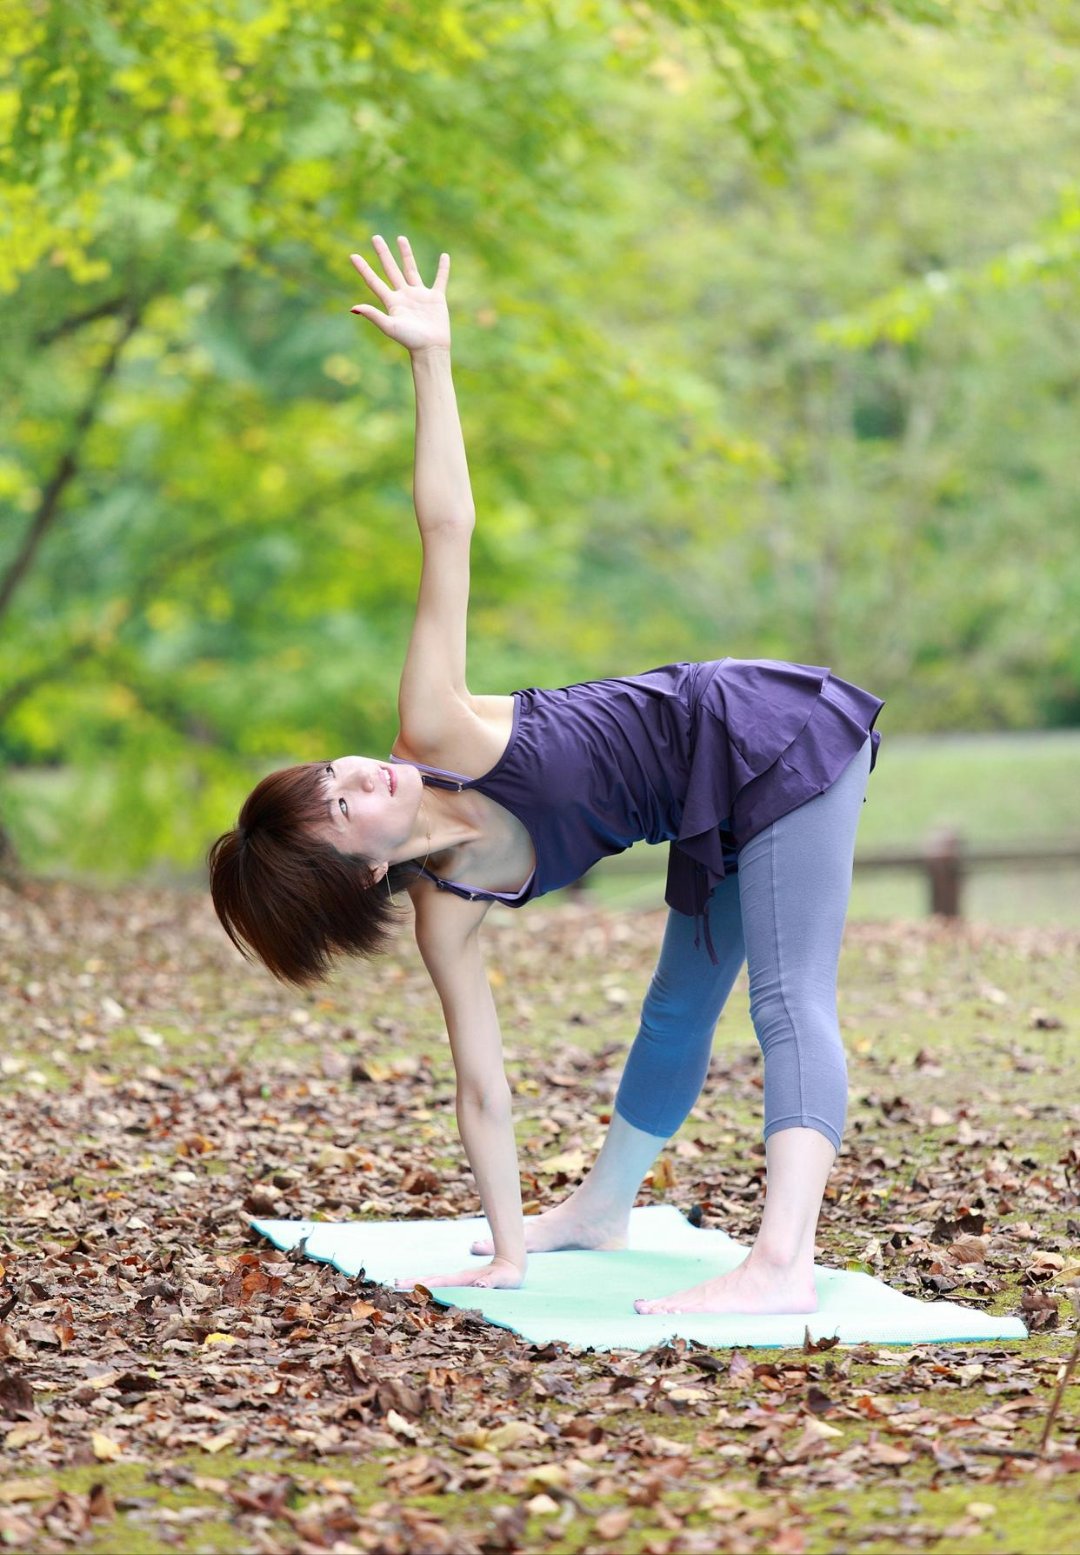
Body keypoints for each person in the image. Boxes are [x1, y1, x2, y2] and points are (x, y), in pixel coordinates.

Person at [209, 235, 884, 1315]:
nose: (354, 779)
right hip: (702, 803)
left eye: (330, 770)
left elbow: (447, 527)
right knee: (676, 1007)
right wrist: (509, 1253)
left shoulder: (431, 727)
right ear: (361, 876)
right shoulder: (447, 912)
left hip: (772, 736)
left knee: (788, 996)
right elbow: (482, 1089)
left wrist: (432, 360)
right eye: (335, 810)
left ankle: (781, 1264)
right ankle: (600, 1212)